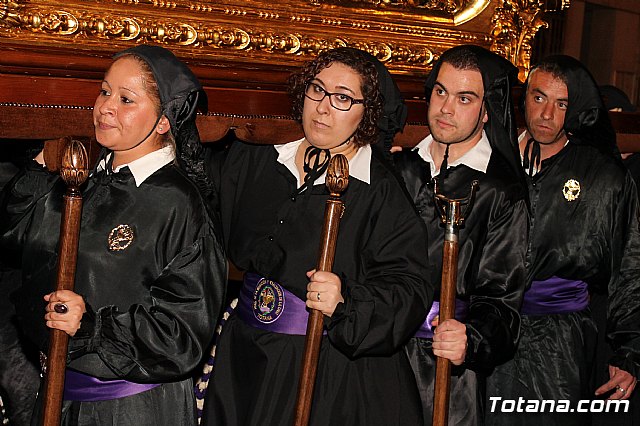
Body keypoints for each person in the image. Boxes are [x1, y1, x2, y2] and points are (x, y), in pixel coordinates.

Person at [201, 47, 433, 425]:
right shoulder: (258, 157)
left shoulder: (379, 191)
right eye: (317, 90)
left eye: (343, 98)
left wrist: (347, 301)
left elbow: (410, 288)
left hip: (325, 368)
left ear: (366, 112)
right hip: (247, 356)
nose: (323, 107)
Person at [0, 44, 226, 425]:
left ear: (163, 121)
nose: (106, 106)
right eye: (105, 91)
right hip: (58, 392)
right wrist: (40, 169)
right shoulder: (80, 178)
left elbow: (183, 333)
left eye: (126, 99)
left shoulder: (178, 203)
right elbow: (12, 237)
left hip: (130, 407)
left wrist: (92, 327)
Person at [486, 55, 640, 426]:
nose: (546, 114)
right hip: (488, 329)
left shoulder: (601, 176)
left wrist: (630, 350)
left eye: (561, 104)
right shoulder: (491, 159)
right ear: (523, 99)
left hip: (561, 340)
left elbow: (630, 263)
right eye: (539, 98)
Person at [393, 45, 528, 425]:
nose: (446, 108)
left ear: (487, 111)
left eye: (464, 98)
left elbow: (503, 302)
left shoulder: (501, 191)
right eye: (440, 91)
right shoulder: (397, 168)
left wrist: (471, 336)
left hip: (445, 370)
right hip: (378, 354)